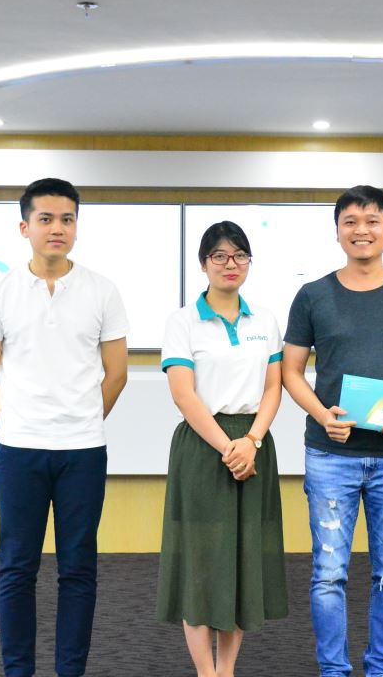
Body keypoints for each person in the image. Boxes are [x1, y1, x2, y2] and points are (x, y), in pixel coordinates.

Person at [0, 177, 129, 677]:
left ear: (77, 227)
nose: (57, 228)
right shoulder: (0, 293)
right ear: (25, 227)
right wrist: (14, 427)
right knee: (17, 568)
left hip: (83, 451)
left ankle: (70, 671)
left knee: (78, 568)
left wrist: (81, 420)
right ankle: (18, 671)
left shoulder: (103, 291)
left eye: (67, 219)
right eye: (46, 219)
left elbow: (117, 374)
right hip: (19, 450)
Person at [281, 185, 383, 677]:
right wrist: (322, 415)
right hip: (331, 455)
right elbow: (291, 372)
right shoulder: (313, 295)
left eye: (372, 221)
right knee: (329, 574)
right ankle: (334, 670)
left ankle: (380, 669)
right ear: (337, 232)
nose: (361, 230)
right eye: (350, 221)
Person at [157, 220, 288, 677]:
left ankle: (227, 670)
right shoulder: (183, 321)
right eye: (219, 256)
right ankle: (205, 672)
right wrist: (228, 448)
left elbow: (273, 388)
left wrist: (251, 441)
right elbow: (184, 394)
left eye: (239, 255)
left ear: (249, 262)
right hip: (201, 448)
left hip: (254, 444)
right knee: (201, 564)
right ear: (203, 264)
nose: (230, 264)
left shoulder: (265, 320)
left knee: (241, 562)